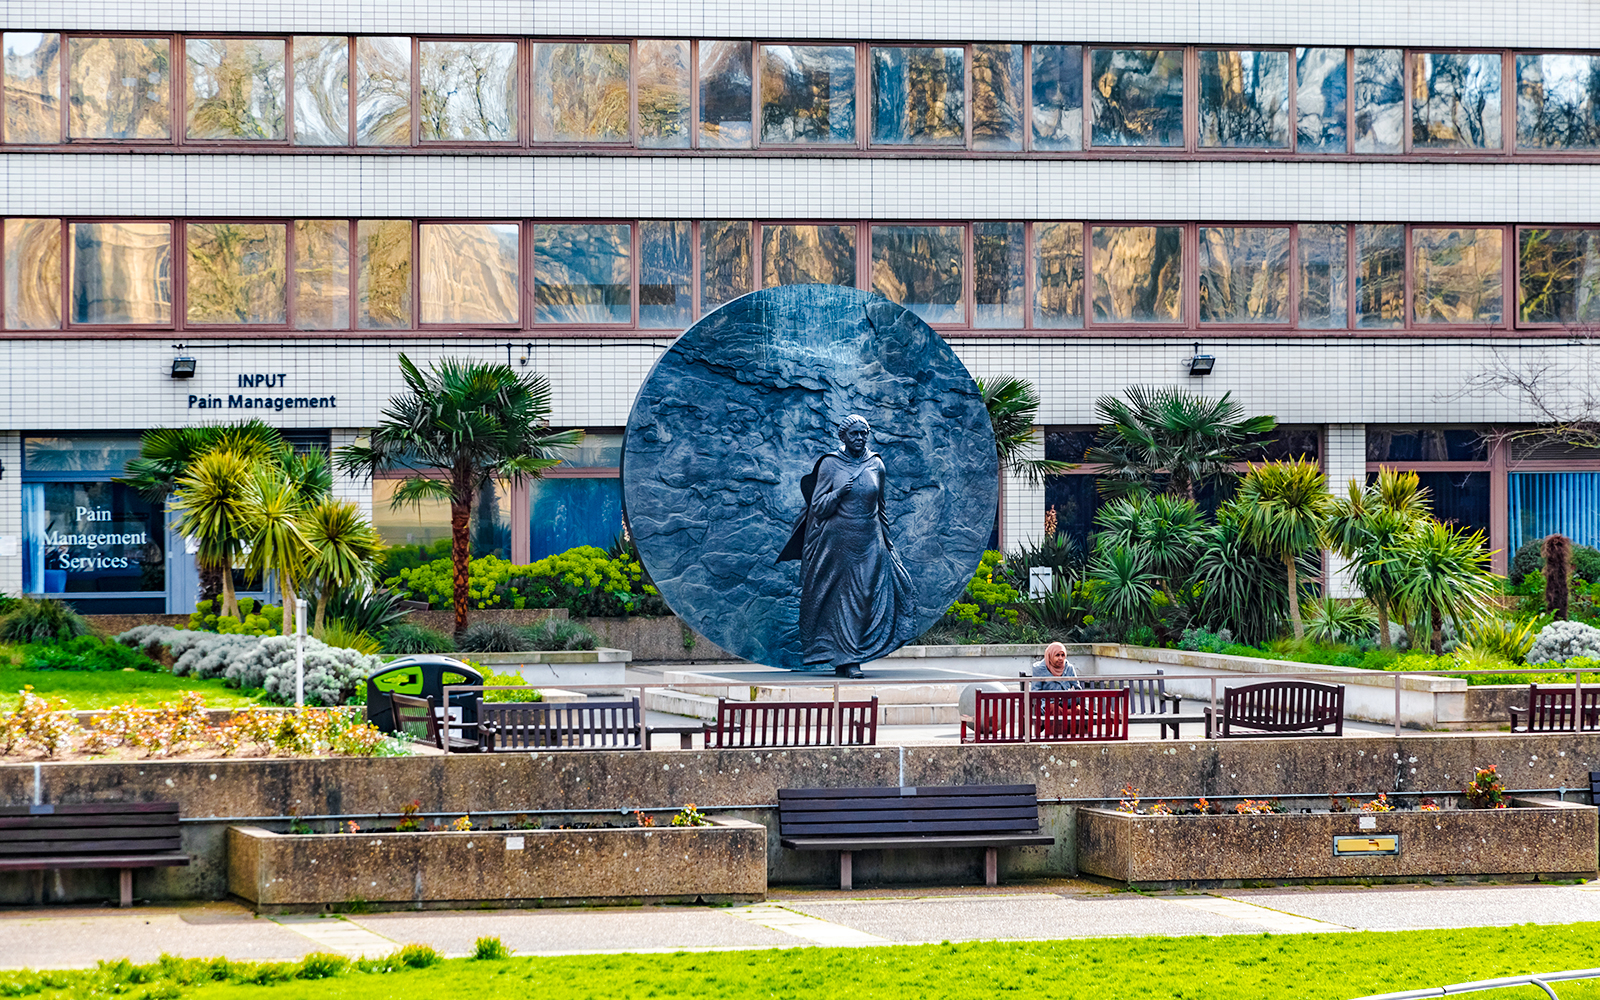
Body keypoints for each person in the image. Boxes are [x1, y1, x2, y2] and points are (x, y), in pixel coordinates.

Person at [777, 415, 916, 678]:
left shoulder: (876, 464)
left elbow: (881, 509)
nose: (860, 438)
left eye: (864, 433)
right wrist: (839, 492)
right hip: (838, 541)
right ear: (843, 436)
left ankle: (853, 654)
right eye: (855, 434)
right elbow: (817, 507)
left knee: (864, 597)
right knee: (837, 598)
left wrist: (889, 543)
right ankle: (845, 659)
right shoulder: (830, 464)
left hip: (870, 541)